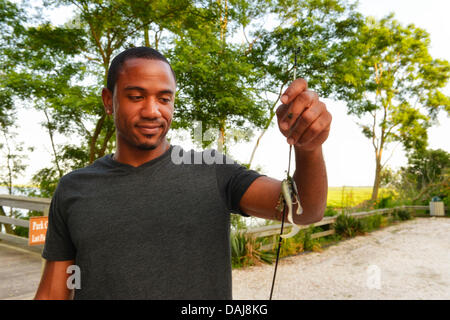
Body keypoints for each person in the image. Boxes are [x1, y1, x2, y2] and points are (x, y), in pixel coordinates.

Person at [34, 46, 331, 300]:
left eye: (164, 99)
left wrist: (308, 146)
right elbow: (52, 293)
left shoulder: (214, 171)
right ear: (108, 101)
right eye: (136, 96)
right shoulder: (73, 189)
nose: (153, 110)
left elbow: (305, 211)